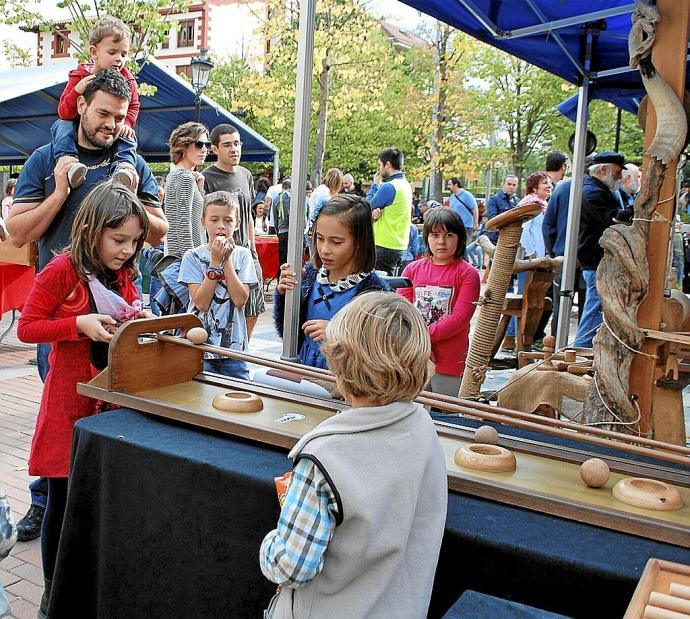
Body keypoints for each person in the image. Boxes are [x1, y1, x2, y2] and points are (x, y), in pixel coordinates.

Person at [7, 69, 166, 542]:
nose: (112, 124)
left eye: (120, 117)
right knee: (61, 417)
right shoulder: (45, 158)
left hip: (104, 310)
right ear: (80, 106)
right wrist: (60, 191)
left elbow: (157, 230)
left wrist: (133, 193)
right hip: (63, 304)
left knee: (94, 428)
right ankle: (47, 502)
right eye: (103, 113)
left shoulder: (133, 160)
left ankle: (77, 511)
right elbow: (18, 233)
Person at [260, 292, 447, 619]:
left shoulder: (323, 457)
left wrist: (268, 547)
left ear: (340, 367)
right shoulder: (422, 425)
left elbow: (291, 567)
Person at [17, 180, 151, 618]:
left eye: (133, 242)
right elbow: (28, 328)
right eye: (118, 240)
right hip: (66, 403)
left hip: (106, 403)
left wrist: (138, 318)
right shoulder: (60, 270)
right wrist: (77, 324)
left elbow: (125, 311)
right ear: (91, 229)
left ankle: (85, 584)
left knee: (94, 496)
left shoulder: (121, 273)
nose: (127, 250)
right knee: (62, 498)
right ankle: (52, 594)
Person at [274, 194, 389, 369]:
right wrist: (284, 296)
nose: (324, 250)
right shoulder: (309, 275)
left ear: (360, 241)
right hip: (304, 374)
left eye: (336, 242)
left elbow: (381, 351)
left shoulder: (375, 293)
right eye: (319, 238)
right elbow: (288, 333)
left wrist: (338, 334)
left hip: (347, 385)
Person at [398, 208, 480, 396]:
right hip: (412, 357)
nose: (441, 242)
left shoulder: (468, 274)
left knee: (447, 415)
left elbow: (459, 318)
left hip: (450, 360)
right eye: (435, 235)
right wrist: (417, 344)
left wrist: (422, 338)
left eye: (449, 235)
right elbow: (401, 311)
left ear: (459, 237)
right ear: (426, 237)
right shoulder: (411, 270)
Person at [178, 191, 257, 380]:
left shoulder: (243, 255)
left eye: (228, 220)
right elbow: (201, 304)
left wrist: (226, 260)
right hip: (201, 347)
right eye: (214, 220)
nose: (221, 226)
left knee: (237, 397)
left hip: (235, 350)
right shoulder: (192, 257)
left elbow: (240, 300)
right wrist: (214, 263)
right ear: (203, 221)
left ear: (237, 224)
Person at [53, 16, 138, 189]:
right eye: (112, 52)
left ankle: (124, 166)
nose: (119, 59)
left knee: (128, 136)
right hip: (78, 127)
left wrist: (127, 122)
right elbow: (64, 112)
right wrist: (76, 90)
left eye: (124, 54)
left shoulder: (127, 78)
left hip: (112, 136)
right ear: (94, 52)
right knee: (61, 125)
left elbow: (134, 105)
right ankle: (69, 161)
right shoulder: (79, 75)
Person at [204, 124, 265, 338]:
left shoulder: (246, 175)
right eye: (227, 145)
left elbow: (247, 215)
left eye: (237, 144)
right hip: (220, 254)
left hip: (246, 252)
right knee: (224, 308)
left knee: (254, 305)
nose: (234, 149)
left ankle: (244, 348)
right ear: (215, 149)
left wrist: (253, 247)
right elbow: (205, 219)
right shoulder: (207, 177)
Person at [574, 151, 626, 347]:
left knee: (597, 304)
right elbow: (613, 218)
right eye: (617, 172)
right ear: (603, 169)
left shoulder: (596, 189)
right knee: (595, 305)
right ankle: (580, 349)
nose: (619, 177)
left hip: (596, 257)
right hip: (595, 258)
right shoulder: (593, 192)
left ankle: (583, 348)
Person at [503, 171, 553, 350]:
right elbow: (523, 231)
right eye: (545, 183)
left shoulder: (542, 205)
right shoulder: (530, 205)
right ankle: (518, 341)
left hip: (540, 259)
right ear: (534, 187)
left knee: (530, 300)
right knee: (525, 301)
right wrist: (532, 255)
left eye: (549, 183)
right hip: (530, 261)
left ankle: (517, 340)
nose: (549, 185)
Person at [367, 147, 413, 275]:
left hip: (384, 246)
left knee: (378, 291)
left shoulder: (389, 187)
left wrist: (374, 185)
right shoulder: (404, 184)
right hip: (399, 245)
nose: (379, 170)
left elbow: (365, 207)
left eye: (380, 165)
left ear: (387, 165)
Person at [485, 174, 518, 244]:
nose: (511, 187)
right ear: (503, 184)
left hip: (512, 239)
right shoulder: (494, 199)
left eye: (514, 185)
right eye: (509, 184)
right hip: (496, 239)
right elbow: (492, 219)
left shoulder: (518, 201)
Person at [272, 179, 293, 277]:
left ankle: (281, 280)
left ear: (282, 187)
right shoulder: (294, 197)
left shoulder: (276, 199)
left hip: (282, 232)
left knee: (283, 259)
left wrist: (277, 231)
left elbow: (275, 218)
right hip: (294, 232)